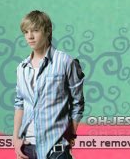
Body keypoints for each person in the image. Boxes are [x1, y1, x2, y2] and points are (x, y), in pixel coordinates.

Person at [10, 14, 80, 158]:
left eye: (35, 30)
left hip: (56, 148)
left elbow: (77, 102)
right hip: (27, 148)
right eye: (26, 32)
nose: (30, 36)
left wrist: (71, 134)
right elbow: (19, 104)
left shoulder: (65, 62)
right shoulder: (22, 68)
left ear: (47, 31)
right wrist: (15, 138)